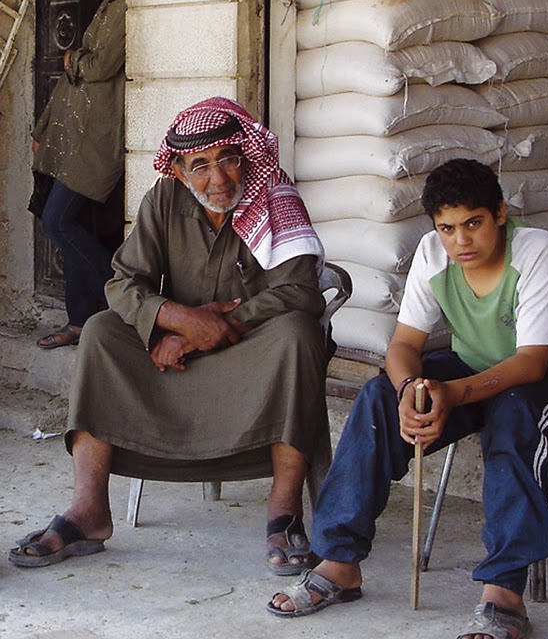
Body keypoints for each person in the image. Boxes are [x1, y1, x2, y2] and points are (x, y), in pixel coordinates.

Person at [268, 159, 548, 639]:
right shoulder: (433, 254)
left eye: (473, 223)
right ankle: (339, 562)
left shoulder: (536, 250)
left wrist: (451, 393)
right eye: (447, 228)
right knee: (379, 397)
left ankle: (504, 592)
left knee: (514, 413)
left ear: (500, 214)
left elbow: (531, 364)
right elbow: (404, 345)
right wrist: (411, 390)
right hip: (474, 370)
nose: (461, 240)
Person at [10, 97, 329, 578]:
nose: (218, 179)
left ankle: (283, 512)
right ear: (179, 171)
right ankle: (89, 510)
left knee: (298, 335)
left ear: (246, 156)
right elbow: (122, 282)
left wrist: (202, 334)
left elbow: (301, 290)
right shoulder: (164, 199)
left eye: (228, 159)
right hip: (171, 356)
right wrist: (173, 318)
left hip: (253, 357)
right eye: (200, 166)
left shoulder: (274, 195)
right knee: (99, 332)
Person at [31, 0, 127, 349]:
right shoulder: (110, 3)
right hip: (73, 138)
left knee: (58, 221)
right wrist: (43, 129)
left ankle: (124, 291)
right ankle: (80, 320)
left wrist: (74, 58)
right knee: (66, 222)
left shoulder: (126, 8)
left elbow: (99, 66)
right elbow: (73, 82)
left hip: (94, 142)